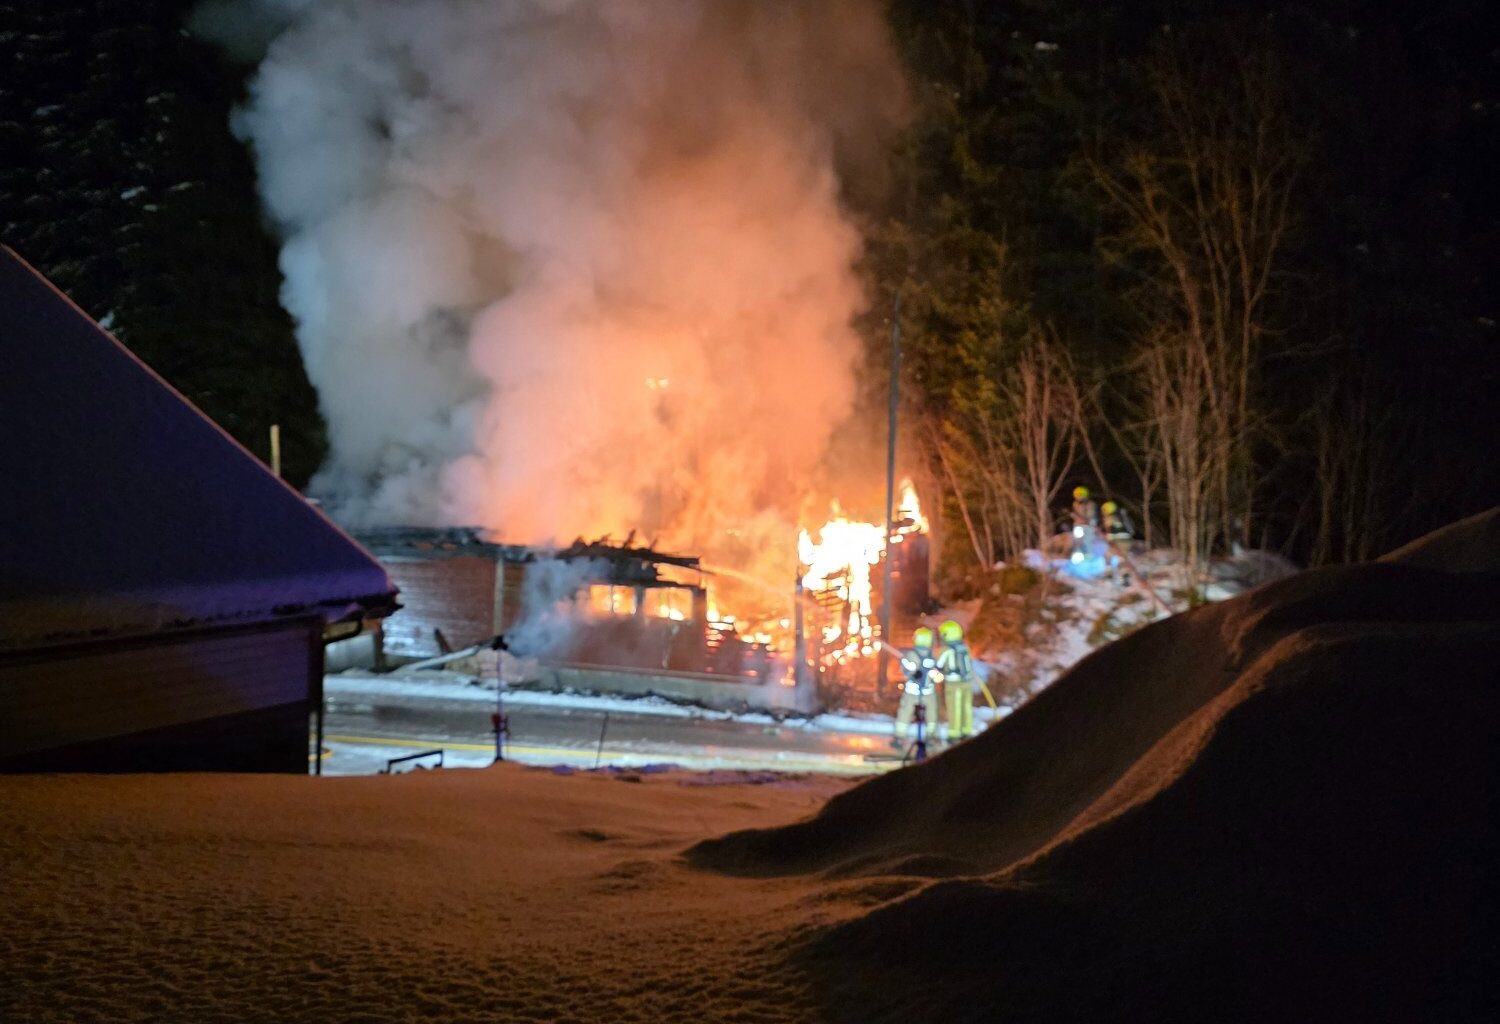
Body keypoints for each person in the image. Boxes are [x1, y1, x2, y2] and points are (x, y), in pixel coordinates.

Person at [894, 627, 941, 750]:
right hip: (923, 692)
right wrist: (914, 672)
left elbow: (905, 669)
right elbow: (907, 669)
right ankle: (931, 738)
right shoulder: (929, 655)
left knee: (906, 713)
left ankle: (900, 737)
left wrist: (934, 674)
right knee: (930, 715)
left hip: (915, 692)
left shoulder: (914, 654)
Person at [936, 619, 978, 742]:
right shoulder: (965, 648)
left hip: (953, 683)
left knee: (954, 707)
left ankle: (954, 734)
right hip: (967, 682)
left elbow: (938, 665)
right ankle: (966, 731)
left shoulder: (945, 650)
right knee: (966, 706)